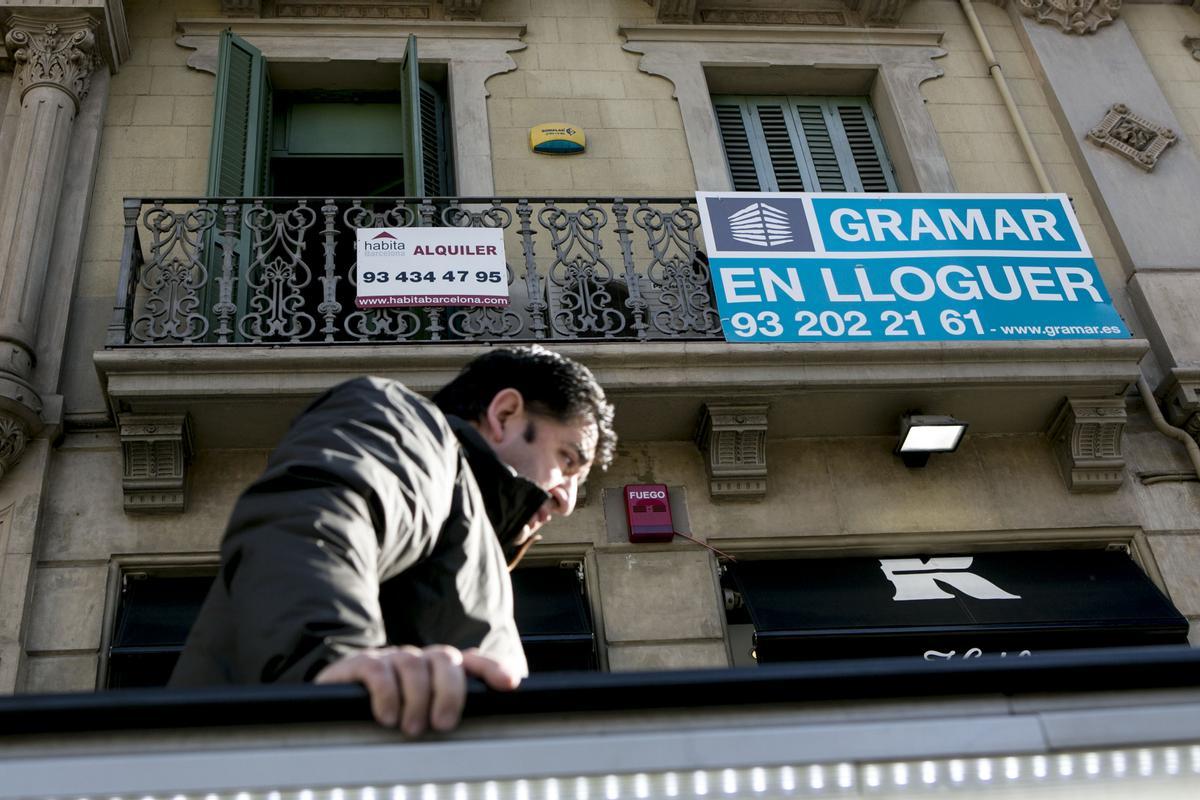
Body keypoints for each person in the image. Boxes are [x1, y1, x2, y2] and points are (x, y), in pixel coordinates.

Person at [170, 346, 616, 736]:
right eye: (567, 460)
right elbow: (318, 517)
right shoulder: (412, 432)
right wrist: (331, 662)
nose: (567, 501)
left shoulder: (474, 540)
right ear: (503, 415)